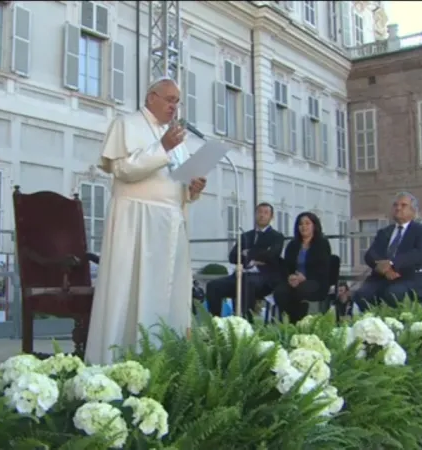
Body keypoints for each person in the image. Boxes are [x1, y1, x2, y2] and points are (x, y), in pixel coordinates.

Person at [85, 77, 207, 365]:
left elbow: (176, 183)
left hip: (171, 224)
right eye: (169, 99)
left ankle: (167, 361)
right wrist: (161, 148)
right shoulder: (126, 124)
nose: (174, 106)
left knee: (168, 296)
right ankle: (121, 361)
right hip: (136, 220)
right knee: (131, 292)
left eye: (177, 101)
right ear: (151, 97)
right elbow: (122, 169)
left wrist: (192, 190)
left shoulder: (176, 138)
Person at [353, 192, 422, 310]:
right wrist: (384, 269)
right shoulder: (384, 232)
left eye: (403, 205)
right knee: (362, 294)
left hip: (408, 278)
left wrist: (392, 263)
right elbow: (370, 254)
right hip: (381, 278)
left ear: (413, 210)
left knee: (393, 294)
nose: (398, 208)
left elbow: (420, 254)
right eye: (395, 205)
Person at [206, 203, 284, 321]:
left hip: (264, 279)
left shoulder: (277, 236)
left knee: (247, 282)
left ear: (271, 217)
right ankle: (216, 324)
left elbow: (272, 256)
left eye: (265, 213)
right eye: (259, 212)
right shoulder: (246, 236)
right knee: (213, 286)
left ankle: (247, 324)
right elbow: (232, 256)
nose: (262, 215)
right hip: (240, 276)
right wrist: (258, 256)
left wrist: (248, 253)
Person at [275, 212, 331, 323]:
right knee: (280, 291)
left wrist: (304, 277)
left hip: (315, 280)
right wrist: (290, 276)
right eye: (300, 224)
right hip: (294, 280)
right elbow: (286, 266)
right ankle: (285, 324)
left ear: (314, 226)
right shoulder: (292, 245)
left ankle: (299, 323)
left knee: (300, 290)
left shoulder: (322, 244)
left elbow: (323, 268)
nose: (303, 226)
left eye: (307, 223)